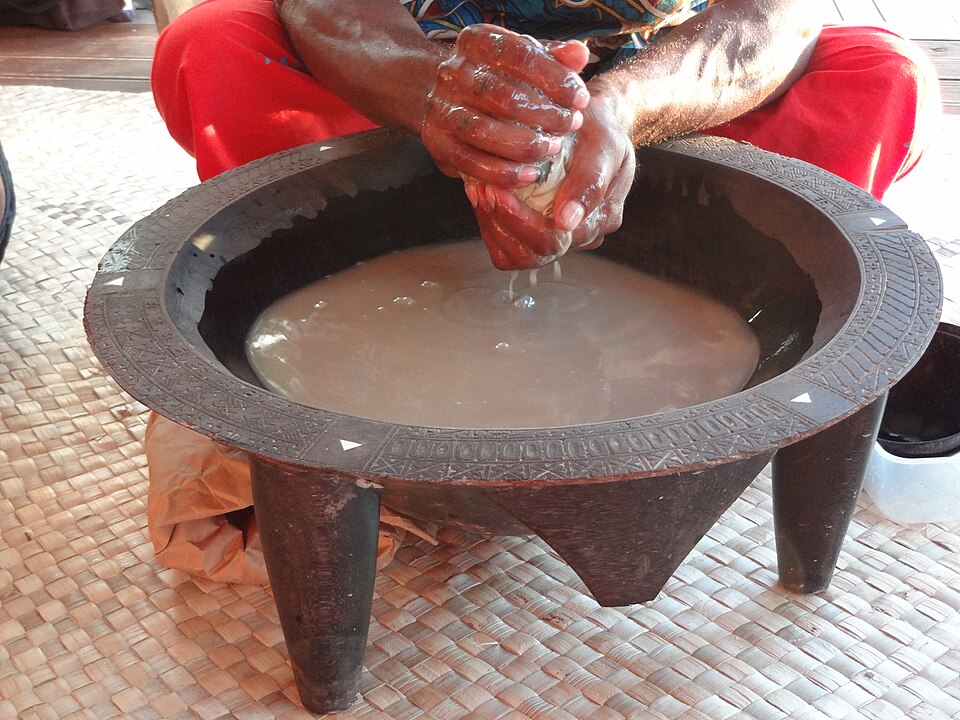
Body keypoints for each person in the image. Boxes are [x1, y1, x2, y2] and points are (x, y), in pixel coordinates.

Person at [151, 0, 942, 271]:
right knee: (213, 43)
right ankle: (334, 287)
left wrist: (617, 109)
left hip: (664, 105)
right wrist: (433, 93)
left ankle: (703, 281)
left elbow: (780, 16)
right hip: (409, 90)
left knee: (882, 78)